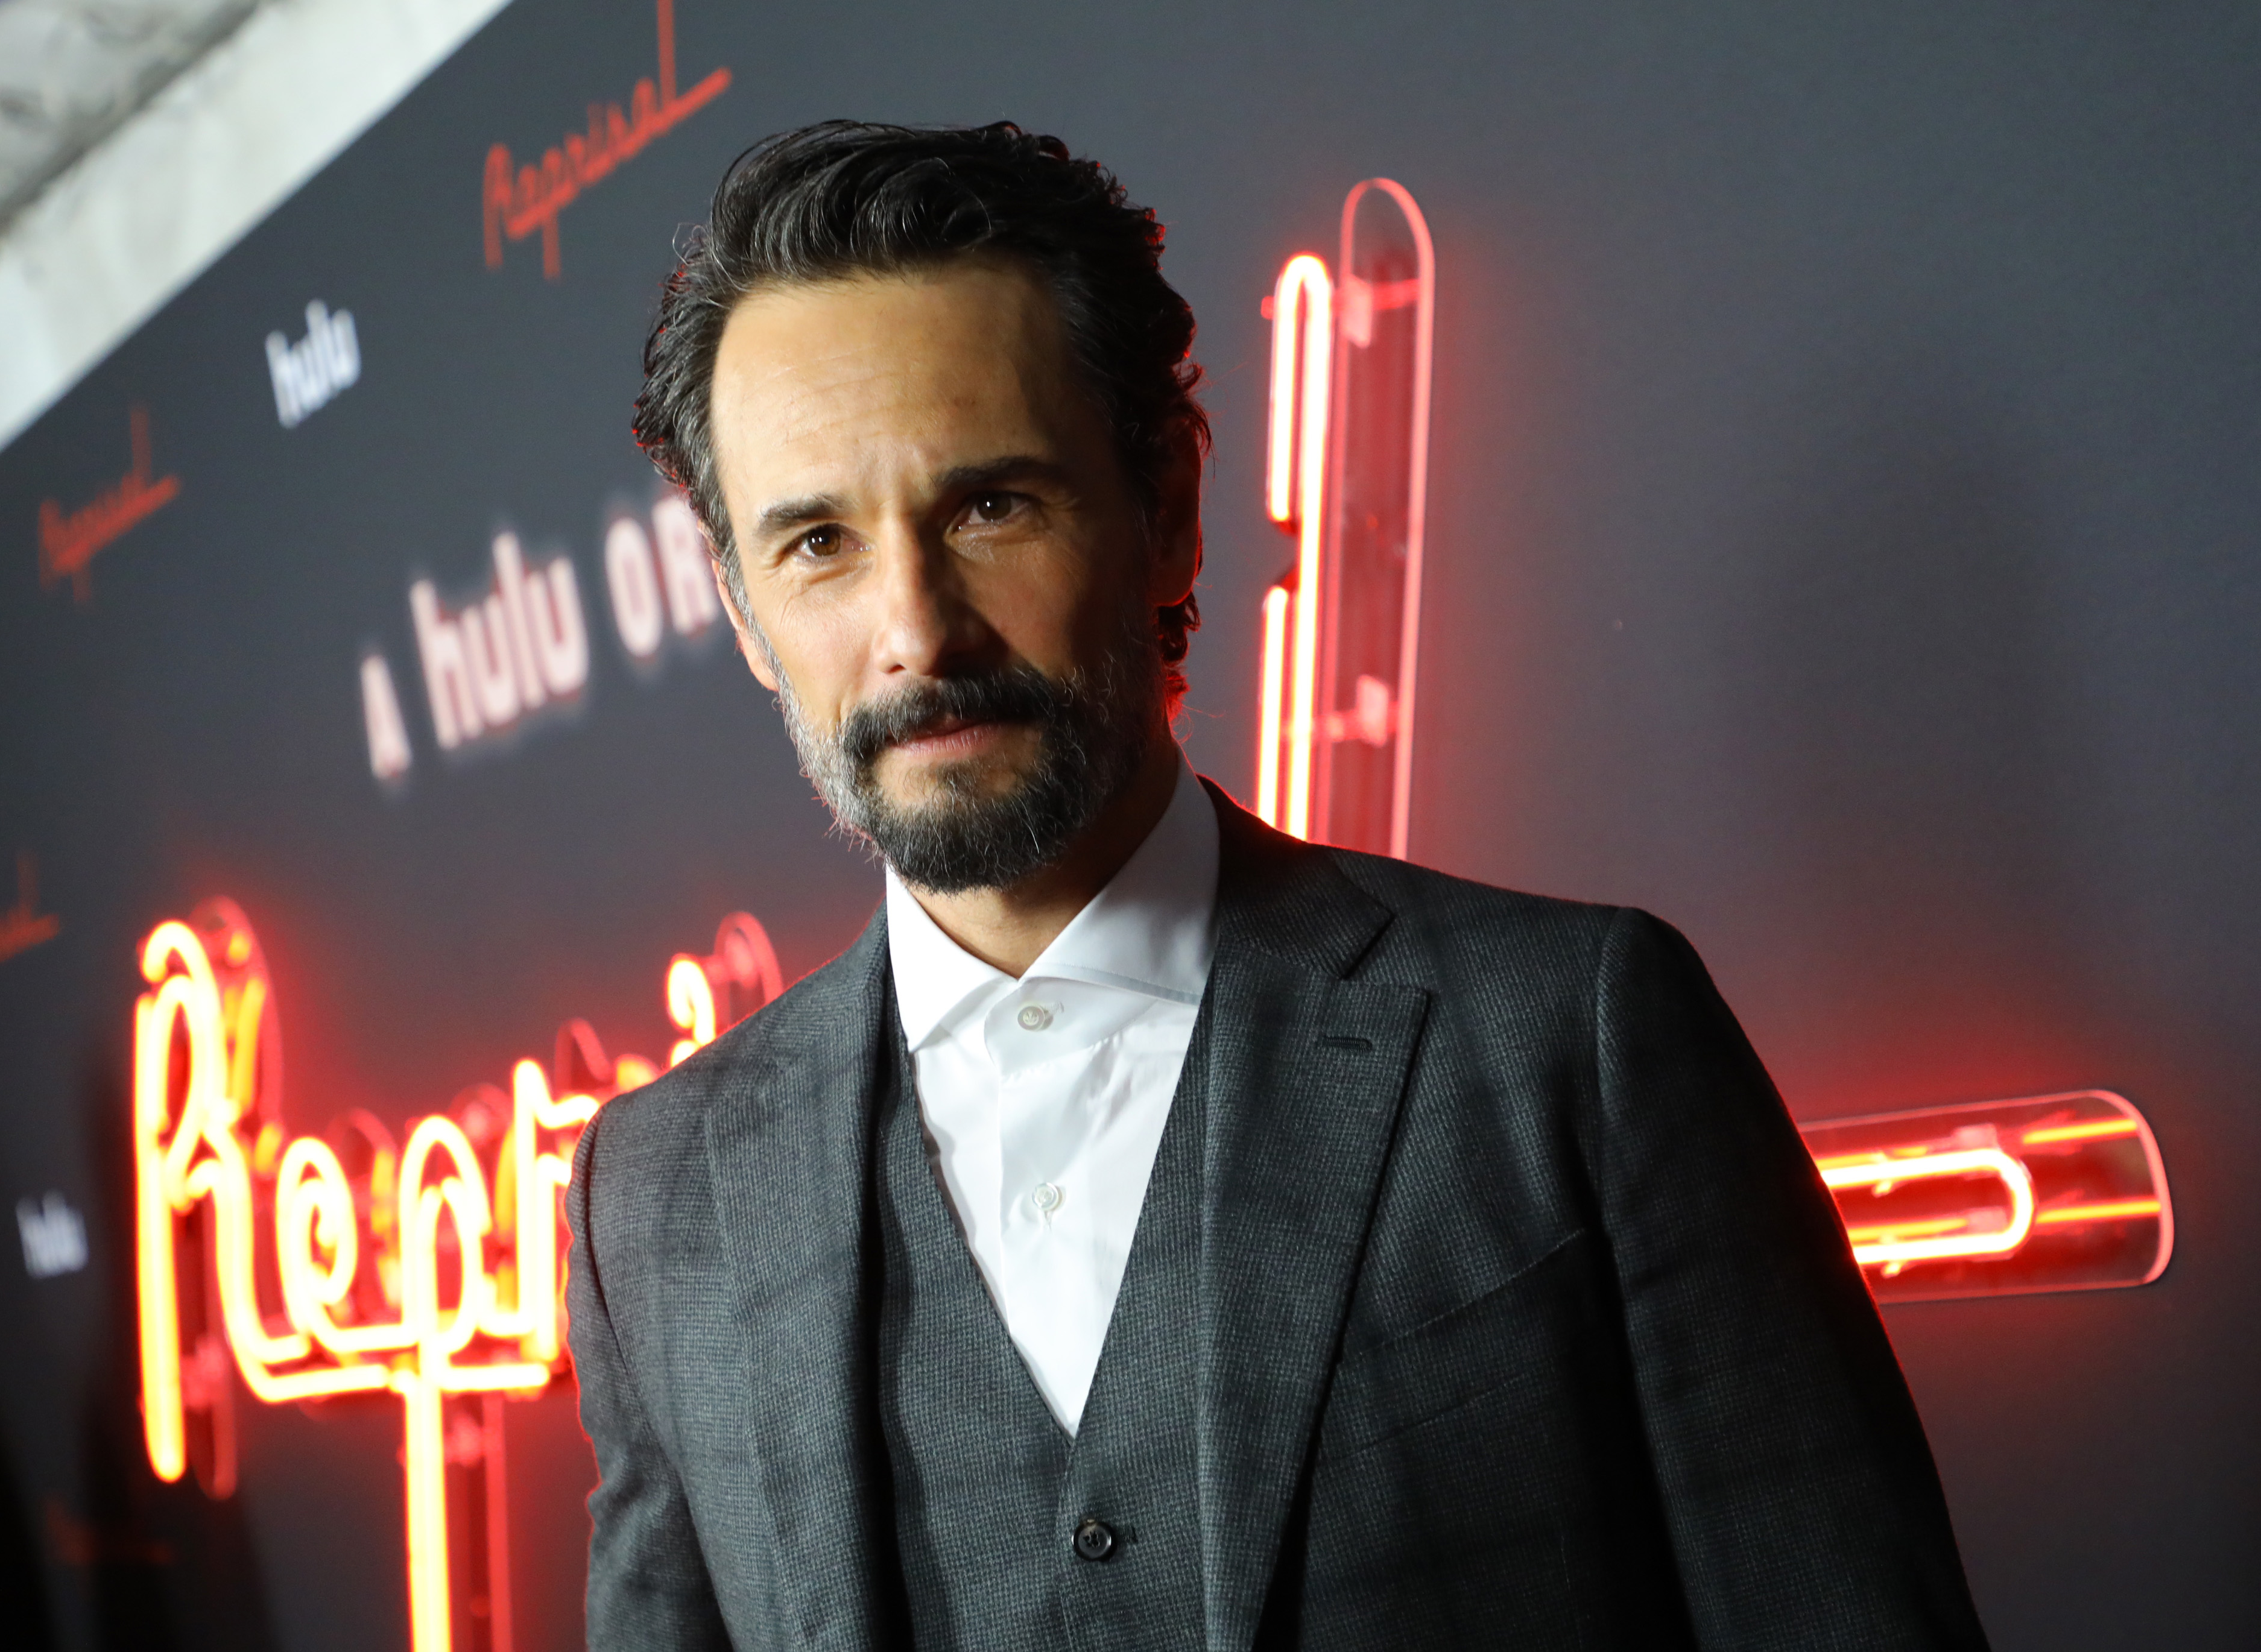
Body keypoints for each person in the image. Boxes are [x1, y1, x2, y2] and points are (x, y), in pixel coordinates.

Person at [565, 119, 1988, 1651]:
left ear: (1170, 507)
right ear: (743, 609)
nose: (916, 631)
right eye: (819, 542)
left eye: (991, 506)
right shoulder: (654, 1198)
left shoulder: (1569, 1040)